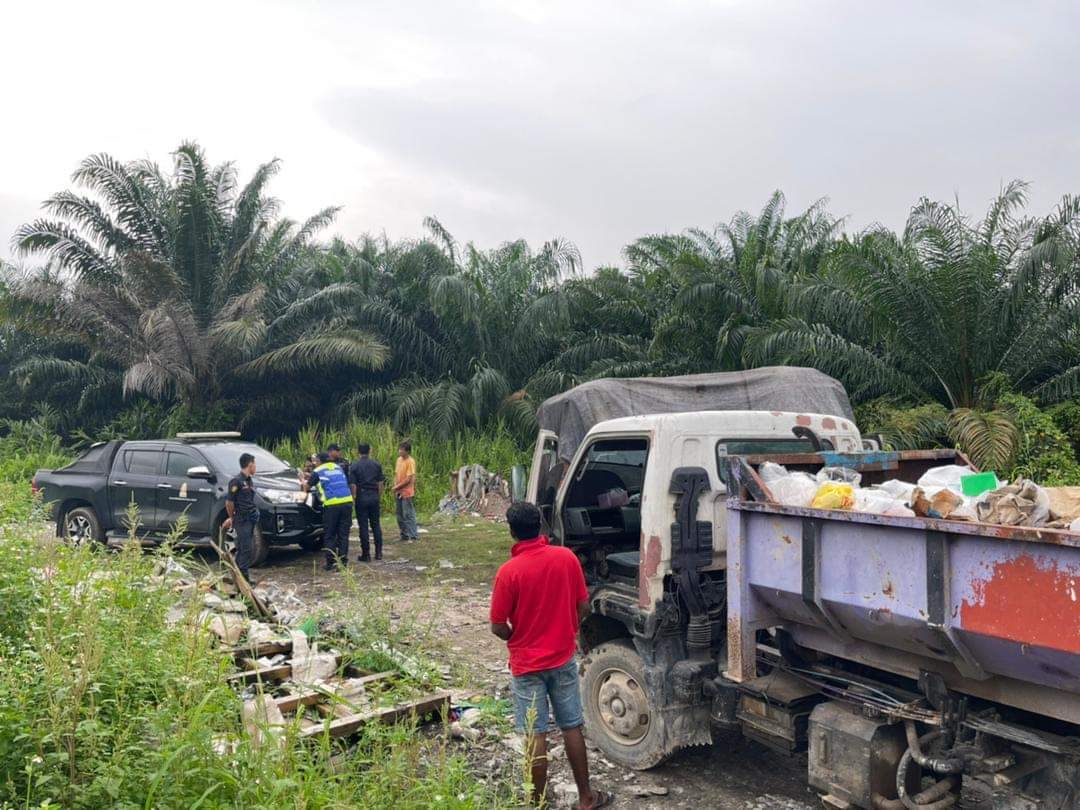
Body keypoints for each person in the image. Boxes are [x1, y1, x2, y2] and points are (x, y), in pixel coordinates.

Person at [489, 502, 611, 810]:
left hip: (527, 664)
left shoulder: (509, 572)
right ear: (541, 526)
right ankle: (586, 797)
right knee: (571, 726)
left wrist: (516, 635)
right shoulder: (565, 558)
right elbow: (583, 607)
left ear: (512, 532)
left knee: (536, 733)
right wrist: (568, 626)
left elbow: (497, 626)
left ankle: (537, 803)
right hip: (562, 658)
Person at [303, 451, 354, 570]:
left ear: (320, 461)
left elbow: (307, 487)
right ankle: (343, 563)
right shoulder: (337, 467)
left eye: (316, 461)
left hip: (332, 505)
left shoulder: (318, 470)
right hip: (347, 502)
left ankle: (331, 563)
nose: (314, 463)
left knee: (330, 535)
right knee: (343, 534)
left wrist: (303, 480)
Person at [223, 452, 259, 585]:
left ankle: (239, 577)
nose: (256, 467)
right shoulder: (236, 481)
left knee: (246, 549)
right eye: (255, 464)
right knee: (245, 549)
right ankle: (243, 580)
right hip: (241, 520)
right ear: (250, 465)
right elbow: (229, 502)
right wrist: (231, 517)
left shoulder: (249, 480)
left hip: (250, 519)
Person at [349, 442, 385, 562]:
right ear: (370, 451)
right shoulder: (376, 464)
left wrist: (354, 498)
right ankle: (379, 553)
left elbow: (353, 485)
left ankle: (366, 554)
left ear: (358, 452)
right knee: (376, 525)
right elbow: (380, 484)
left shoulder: (354, 466)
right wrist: (378, 496)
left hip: (362, 496)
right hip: (374, 496)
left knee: (363, 526)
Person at [393, 440, 418, 542]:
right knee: (399, 514)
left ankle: (413, 535)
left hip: (406, 492)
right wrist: (395, 485)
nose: (400, 451)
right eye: (399, 449)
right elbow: (396, 474)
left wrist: (397, 487)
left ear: (407, 451)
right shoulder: (399, 460)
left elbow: (409, 479)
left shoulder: (410, 461)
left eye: (402, 450)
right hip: (399, 491)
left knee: (408, 514)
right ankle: (404, 534)